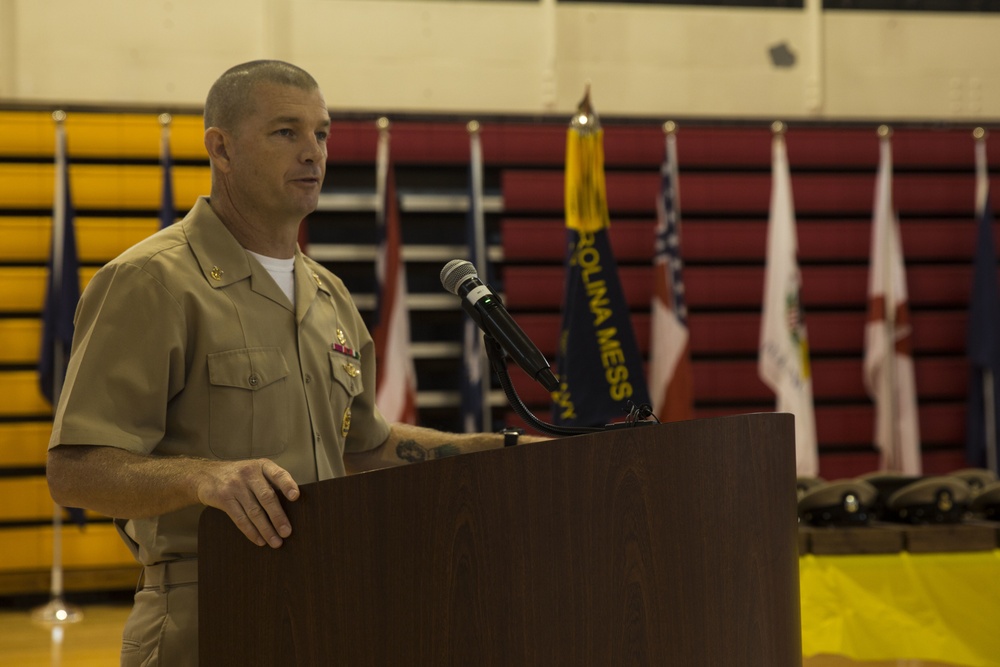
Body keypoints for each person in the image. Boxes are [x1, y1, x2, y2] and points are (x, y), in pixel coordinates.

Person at [45, 60, 536, 666]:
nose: (314, 153)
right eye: (286, 132)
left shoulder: (328, 294)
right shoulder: (151, 282)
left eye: (322, 134)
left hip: (329, 606)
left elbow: (362, 444)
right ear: (220, 149)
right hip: (207, 616)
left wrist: (503, 453)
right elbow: (74, 469)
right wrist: (205, 478)